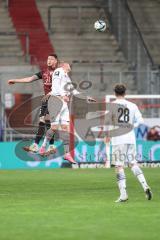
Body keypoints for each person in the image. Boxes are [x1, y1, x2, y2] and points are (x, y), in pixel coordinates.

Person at [8, 53, 59, 153]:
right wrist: (15, 80)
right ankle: (41, 145)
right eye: (48, 59)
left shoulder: (59, 73)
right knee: (43, 123)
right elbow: (30, 79)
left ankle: (46, 145)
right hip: (46, 101)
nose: (49, 60)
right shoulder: (43, 73)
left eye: (52, 59)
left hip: (55, 100)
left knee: (47, 123)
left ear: (56, 61)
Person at [110, 84, 152, 202]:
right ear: (125, 93)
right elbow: (141, 121)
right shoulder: (133, 105)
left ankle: (123, 194)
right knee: (133, 163)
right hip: (130, 138)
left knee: (119, 166)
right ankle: (145, 185)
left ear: (115, 93)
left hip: (118, 139)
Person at [38, 62, 79, 164]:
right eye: (68, 64)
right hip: (56, 101)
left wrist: (86, 97)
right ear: (63, 65)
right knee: (54, 128)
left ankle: (66, 153)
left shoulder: (66, 76)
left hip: (63, 103)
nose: (70, 66)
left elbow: (73, 90)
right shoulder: (58, 71)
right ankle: (43, 147)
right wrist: (62, 95)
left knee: (65, 128)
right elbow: (55, 85)